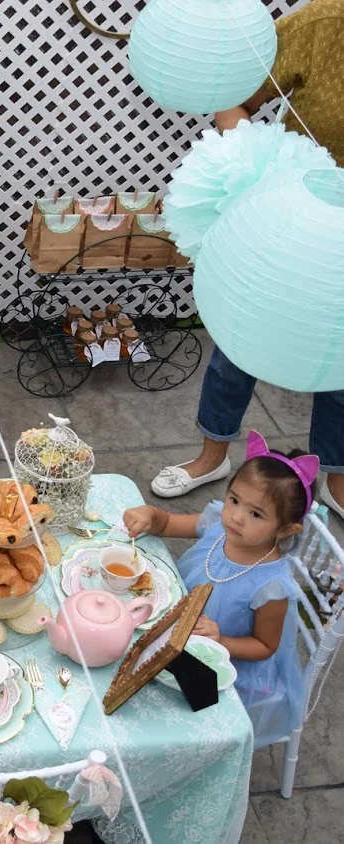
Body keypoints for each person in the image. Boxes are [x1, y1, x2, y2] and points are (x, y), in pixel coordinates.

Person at [154, 0, 344, 516]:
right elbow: (232, 100)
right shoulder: (322, 23)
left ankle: (336, 479)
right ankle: (211, 455)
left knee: (341, 358)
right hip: (290, 218)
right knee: (239, 344)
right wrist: (258, 174)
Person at [125, 432, 312, 747]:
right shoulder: (219, 525)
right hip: (176, 628)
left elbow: (265, 646)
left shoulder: (271, 587)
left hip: (218, 663)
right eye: (234, 499)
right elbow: (169, 523)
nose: (236, 516)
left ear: (285, 530)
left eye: (256, 514)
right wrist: (151, 515)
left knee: (151, 715)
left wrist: (221, 639)